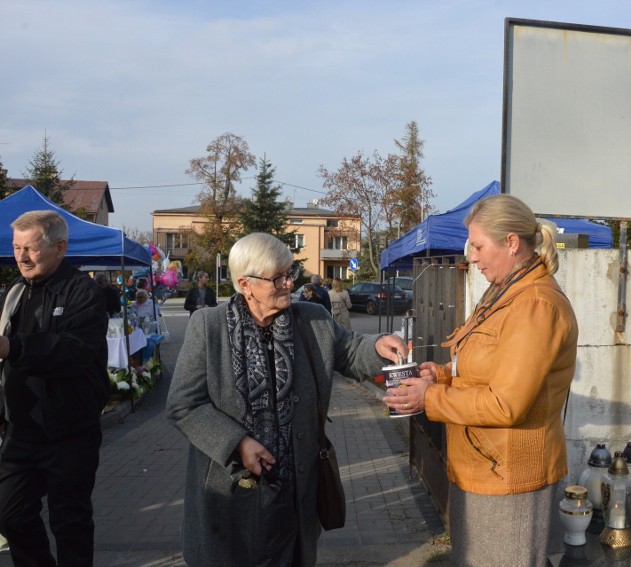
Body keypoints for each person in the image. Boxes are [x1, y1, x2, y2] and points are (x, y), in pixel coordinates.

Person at [166, 232, 407, 567]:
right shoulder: (209, 326)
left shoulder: (312, 319)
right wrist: (238, 443)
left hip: (296, 489)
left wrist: (378, 345)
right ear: (245, 284)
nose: (288, 284)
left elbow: (350, 350)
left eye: (290, 273)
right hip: (230, 490)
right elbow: (183, 405)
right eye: (277, 278)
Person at [385, 194, 578, 566]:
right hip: (482, 469)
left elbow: (506, 403)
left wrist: (431, 399)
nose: (471, 256)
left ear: (511, 242)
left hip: (509, 480)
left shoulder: (534, 305)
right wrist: (438, 376)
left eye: (477, 246)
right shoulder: (503, 294)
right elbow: (484, 372)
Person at [0, 210, 110, 565]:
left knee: (70, 523)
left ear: (60, 247)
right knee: (10, 514)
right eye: (16, 247)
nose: (21, 257)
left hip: (70, 430)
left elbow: (72, 351)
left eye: (30, 248)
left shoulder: (83, 292)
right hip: (20, 432)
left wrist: (12, 347)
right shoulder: (14, 293)